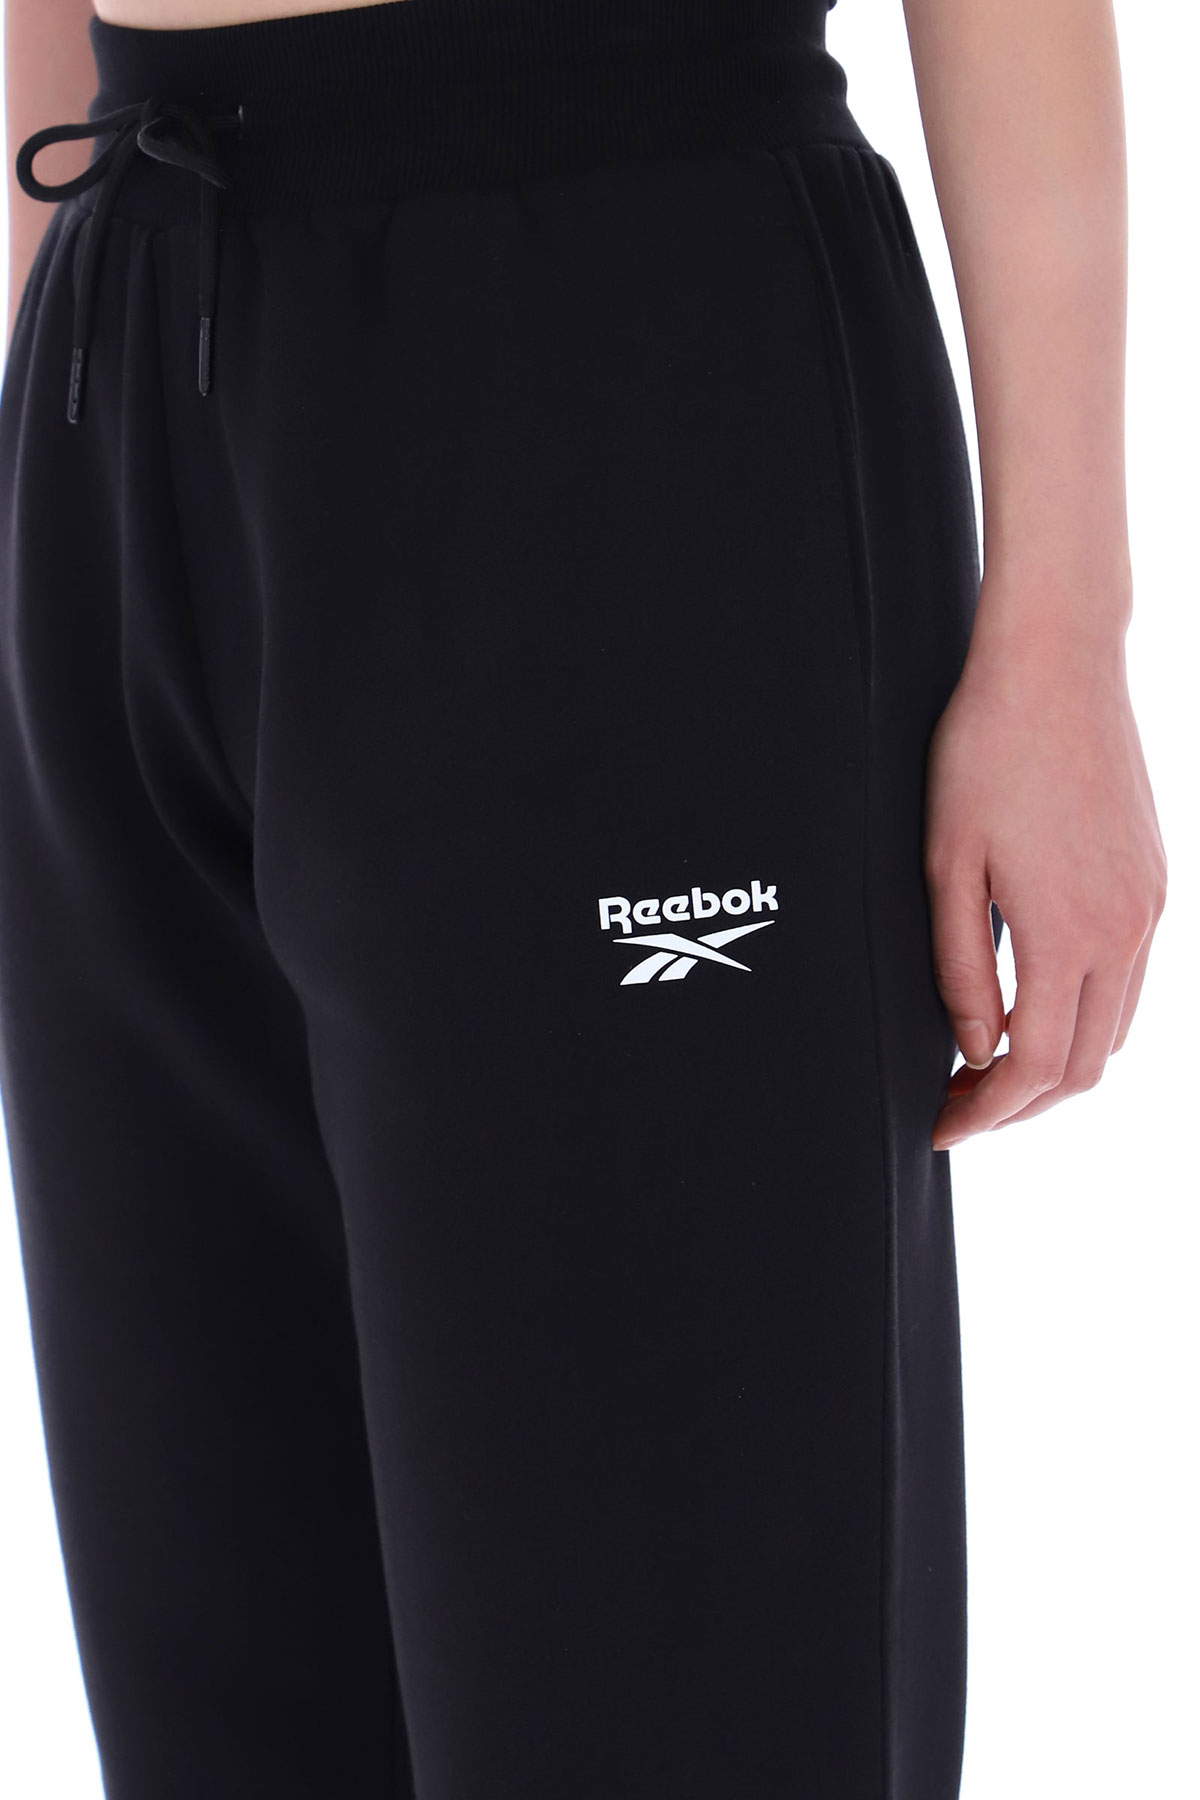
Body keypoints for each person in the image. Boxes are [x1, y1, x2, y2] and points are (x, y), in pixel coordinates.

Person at [0, 1, 1166, 1797]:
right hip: (122, 336)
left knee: (669, 1689)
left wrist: (1064, 627)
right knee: (224, 1685)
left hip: (613, 311)